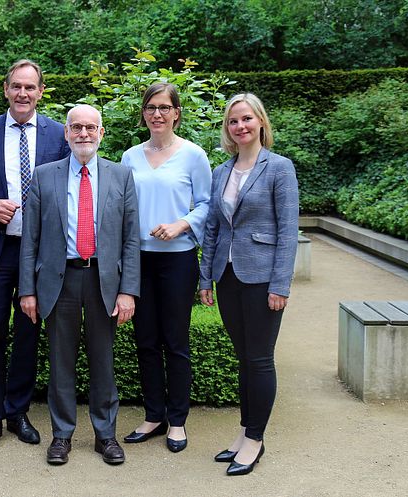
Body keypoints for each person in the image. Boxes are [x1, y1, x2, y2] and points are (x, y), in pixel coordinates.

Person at [19, 104, 140, 466]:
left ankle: (105, 435)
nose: (83, 133)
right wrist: (27, 290)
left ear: (101, 133)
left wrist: (128, 290)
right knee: (61, 361)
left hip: (104, 279)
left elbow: (131, 239)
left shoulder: (121, 176)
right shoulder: (43, 176)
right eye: (76, 127)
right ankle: (62, 435)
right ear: (67, 133)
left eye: (90, 127)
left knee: (103, 362)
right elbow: (31, 239)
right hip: (60, 281)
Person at [0, 60, 71, 453]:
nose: (23, 94)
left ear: (41, 91)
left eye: (30, 87)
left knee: (28, 333)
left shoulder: (59, 134)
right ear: (5, 89)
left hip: (40, 254)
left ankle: (18, 412)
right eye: (16, 87)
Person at [199, 93, 299, 476]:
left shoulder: (279, 168)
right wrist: (206, 276)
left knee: (259, 360)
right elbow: (213, 228)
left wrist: (281, 285)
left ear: (260, 122)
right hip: (227, 277)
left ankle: (255, 441)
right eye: (233, 122)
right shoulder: (221, 171)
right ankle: (245, 433)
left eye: (246, 119)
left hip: (261, 279)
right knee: (244, 359)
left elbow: (289, 231)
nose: (240, 127)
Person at [120, 82, 211, 452]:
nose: (157, 114)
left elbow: (207, 204)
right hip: (138, 258)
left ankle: (177, 421)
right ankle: (153, 415)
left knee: (175, 342)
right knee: (145, 341)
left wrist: (181, 224)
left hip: (177, 259)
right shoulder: (129, 157)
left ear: (176, 113)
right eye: (150, 107)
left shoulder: (193, 155)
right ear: (143, 113)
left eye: (164, 107)